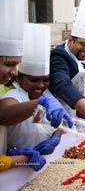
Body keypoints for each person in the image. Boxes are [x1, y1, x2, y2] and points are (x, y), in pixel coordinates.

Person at [1, 23, 73, 155]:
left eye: (45, 80)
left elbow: (54, 125)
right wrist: (39, 103)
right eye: (33, 80)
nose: (40, 85)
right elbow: (4, 114)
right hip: (14, 164)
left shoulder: (47, 95)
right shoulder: (15, 95)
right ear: (19, 79)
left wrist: (55, 138)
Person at [0, 0, 47, 172]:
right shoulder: (12, 95)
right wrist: (22, 159)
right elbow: (5, 114)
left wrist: (11, 151)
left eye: (17, 65)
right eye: (9, 64)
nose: (13, 71)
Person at [48, 0, 85, 143]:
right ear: (71, 40)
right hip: (54, 121)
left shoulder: (74, 58)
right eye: (83, 44)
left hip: (70, 121)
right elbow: (62, 84)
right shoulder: (59, 55)